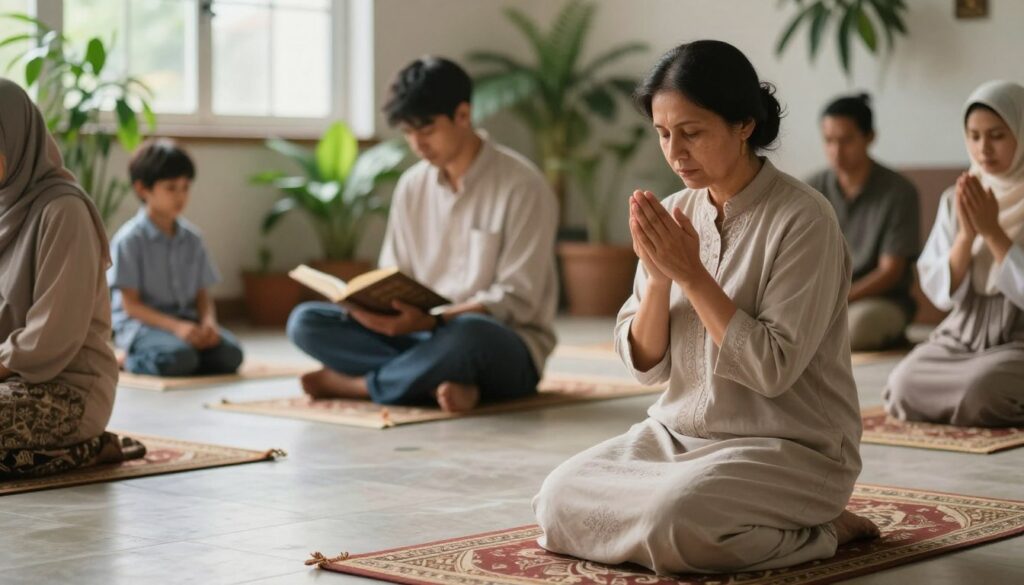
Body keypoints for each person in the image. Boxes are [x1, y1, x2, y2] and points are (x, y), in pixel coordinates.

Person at [533, 41, 878, 575]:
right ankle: (734, 515)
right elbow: (645, 366)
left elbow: (772, 369)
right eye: (663, 134)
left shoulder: (804, 219)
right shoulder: (673, 211)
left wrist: (691, 275)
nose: (675, 152)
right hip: (675, 436)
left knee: (676, 525)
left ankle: (823, 527)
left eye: (691, 132)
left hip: (786, 446)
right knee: (556, 502)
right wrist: (658, 280)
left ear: (744, 124)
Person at [287, 57, 558, 413]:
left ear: (463, 115)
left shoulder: (523, 186)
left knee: (470, 334)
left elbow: (517, 298)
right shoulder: (411, 187)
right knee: (306, 322)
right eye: (407, 133)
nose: (416, 144)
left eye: (426, 130)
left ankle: (364, 385)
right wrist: (371, 309)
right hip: (416, 335)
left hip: (498, 342)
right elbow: (394, 272)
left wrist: (436, 320)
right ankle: (441, 384)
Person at [0, 78, 143, 478]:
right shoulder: (4, 206)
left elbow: (53, 335)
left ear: (16, 140)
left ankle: (89, 445)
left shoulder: (64, 211)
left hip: (65, 390)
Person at [885, 80, 1024, 427]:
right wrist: (966, 235)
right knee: (903, 384)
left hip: (1017, 337)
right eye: (974, 136)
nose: (983, 149)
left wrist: (992, 231)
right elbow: (938, 289)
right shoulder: (960, 195)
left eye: (997, 135)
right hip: (963, 333)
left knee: (981, 389)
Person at [108, 138, 244, 377]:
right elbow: (131, 306)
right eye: (171, 188)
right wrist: (177, 327)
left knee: (231, 355)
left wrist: (208, 324)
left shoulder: (193, 239)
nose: (180, 196)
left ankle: (182, 355)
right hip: (143, 327)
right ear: (143, 189)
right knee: (179, 359)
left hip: (186, 323)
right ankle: (128, 359)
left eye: (185, 187)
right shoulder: (129, 240)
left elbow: (202, 294)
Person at [806, 94, 921, 350]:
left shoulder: (899, 191)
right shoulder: (809, 188)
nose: (836, 151)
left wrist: (838, 299)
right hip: (820, 297)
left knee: (854, 330)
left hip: (880, 300)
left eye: (846, 140)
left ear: (869, 137)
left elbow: (890, 272)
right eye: (829, 141)